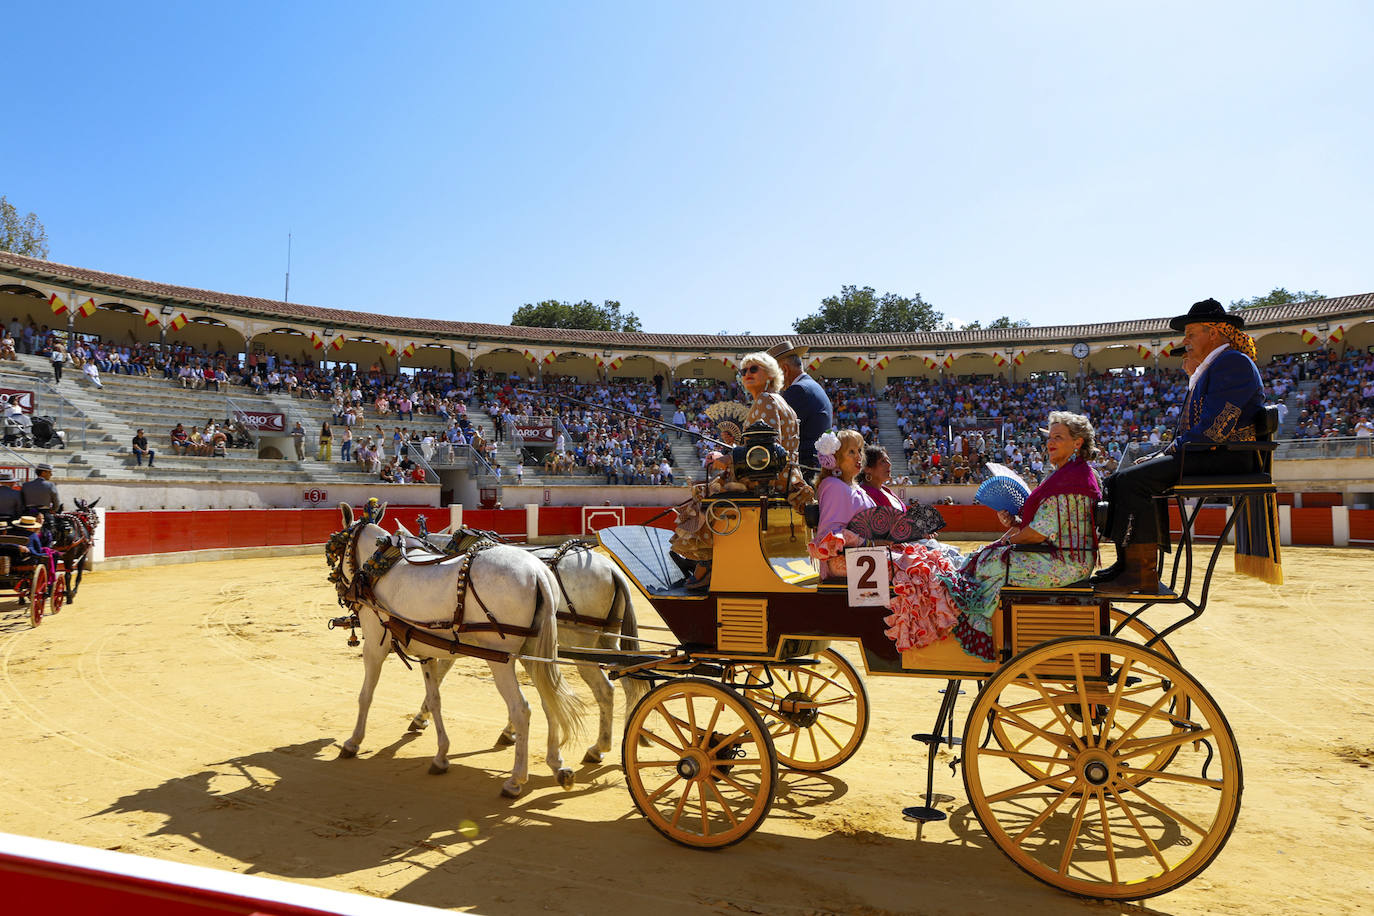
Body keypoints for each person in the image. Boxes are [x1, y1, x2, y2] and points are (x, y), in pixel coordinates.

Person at [1095, 299, 1279, 594]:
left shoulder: (1233, 362)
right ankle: (1129, 565)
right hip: (1211, 452)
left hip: (1225, 457)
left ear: (1214, 333)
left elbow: (1215, 428)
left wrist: (1167, 453)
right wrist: (1163, 453)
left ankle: (1139, 572)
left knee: (1130, 481)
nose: (1185, 341)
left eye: (1191, 334)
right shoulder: (1216, 366)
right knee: (1121, 479)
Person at [945, 412, 1102, 658]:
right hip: (1067, 557)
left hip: (1065, 563)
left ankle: (980, 632)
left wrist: (1007, 540)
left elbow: (1038, 534)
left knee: (988, 562)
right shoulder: (1073, 475)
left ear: (1078, 442)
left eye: (1058, 437)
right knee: (987, 556)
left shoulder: (1070, 479)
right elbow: (1049, 527)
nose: (1050, 443)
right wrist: (1017, 523)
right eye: (1050, 437)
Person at [670, 351, 814, 589]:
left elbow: (768, 454)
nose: (747, 374)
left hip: (768, 481)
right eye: (744, 371)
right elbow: (765, 450)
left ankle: (706, 564)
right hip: (785, 478)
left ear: (769, 374)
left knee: (703, 495)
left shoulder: (765, 401)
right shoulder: (779, 401)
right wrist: (736, 447)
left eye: (754, 369)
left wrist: (724, 457)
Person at [809, 430, 876, 578]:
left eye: (859, 450)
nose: (858, 457)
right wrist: (872, 543)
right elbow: (830, 537)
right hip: (846, 562)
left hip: (864, 558)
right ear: (836, 459)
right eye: (851, 452)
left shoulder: (854, 488)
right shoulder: (833, 485)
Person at [769, 340, 834, 477]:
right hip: (814, 463)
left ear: (785, 370)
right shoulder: (810, 386)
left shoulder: (797, 390)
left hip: (804, 468)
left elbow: (777, 431)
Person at [859, 445, 905, 510]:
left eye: (888, 460)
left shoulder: (886, 490)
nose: (889, 464)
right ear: (867, 469)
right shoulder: (862, 496)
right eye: (883, 461)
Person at [20, 462, 59, 529]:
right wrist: (53, 509)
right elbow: (56, 502)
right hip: (45, 514)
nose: (51, 474)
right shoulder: (50, 485)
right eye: (49, 472)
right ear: (43, 472)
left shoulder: (26, 485)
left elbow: (21, 501)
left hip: (28, 514)